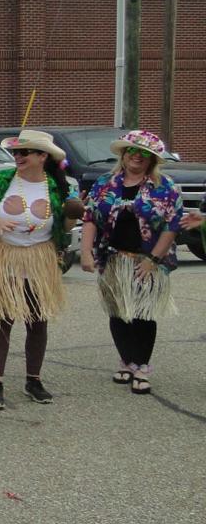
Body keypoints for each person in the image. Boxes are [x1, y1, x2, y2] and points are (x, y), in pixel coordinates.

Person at [0, 129, 78, 409]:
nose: (17, 156)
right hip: (5, 255)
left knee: (37, 319)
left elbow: (64, 230)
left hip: (40, 257)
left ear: (42, 156)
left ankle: (34, 379)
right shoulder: (2, 180)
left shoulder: (57, 186)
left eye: (24, 152)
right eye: (16, 152)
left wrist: (72, 216)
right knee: (3, 317)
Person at [80, 130, 183, 394]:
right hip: (114, 258)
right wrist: (86, 252)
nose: (136, 157)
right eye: (132, 152)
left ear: (151, 160)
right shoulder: (105, 183)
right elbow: (90, 217)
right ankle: (126, 361)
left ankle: (142, 367)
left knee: (142, 314)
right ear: (123, 155)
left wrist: (152, 259)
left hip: (148, 259)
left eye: (144, 154)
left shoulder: (165, 187)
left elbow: (171, 226)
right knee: (118, 311)